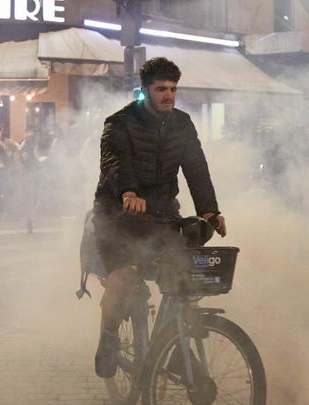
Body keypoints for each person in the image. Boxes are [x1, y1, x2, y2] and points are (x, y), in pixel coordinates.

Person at [91, 57, 226, 379]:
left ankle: (176, 348)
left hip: (163, 214)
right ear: (145, 90)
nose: (169, 95)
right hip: (117, 215)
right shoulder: (119, 122)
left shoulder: (182, 123)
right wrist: (128, 192)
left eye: (173, 89)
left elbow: (196, 168)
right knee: (122, 278)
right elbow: (114, 162)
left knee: (185, 280)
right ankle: (108, 338)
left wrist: (210, 210)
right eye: (161, 89)